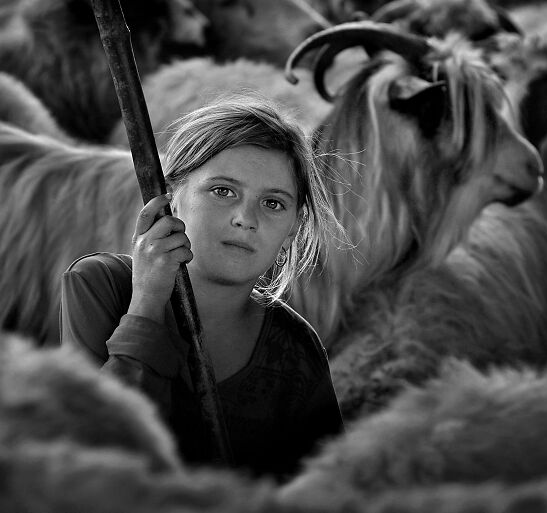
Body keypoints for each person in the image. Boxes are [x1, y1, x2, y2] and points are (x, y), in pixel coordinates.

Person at [59, 94, 346, 480]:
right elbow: (94, 468)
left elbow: (329, 491)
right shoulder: (100, 287)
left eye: (273, 203)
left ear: (294, 226)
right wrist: (146, 304)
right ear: (172, 198)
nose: (245, 219)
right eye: (223, 191)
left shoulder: (295, 349)